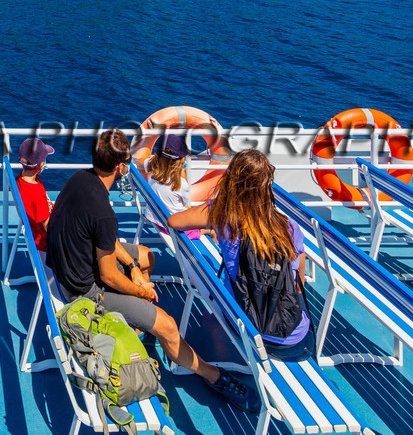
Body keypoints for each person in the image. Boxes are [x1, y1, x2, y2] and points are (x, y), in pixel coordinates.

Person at [44, 129, 257, 412]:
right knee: (168, 326)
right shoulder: (104, 213)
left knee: (147, 257)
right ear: (120, 167)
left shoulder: (80, 179)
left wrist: (133, 266)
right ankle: (215, 376)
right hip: (84, 292)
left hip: (72, 267)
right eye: (128, 161)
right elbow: (108, 276)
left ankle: (139, 320)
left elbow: (102, 240)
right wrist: (140, 290)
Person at [168, 148, 314, 360]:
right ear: (267, 185)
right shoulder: (290, 227)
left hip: (245, 325)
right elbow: (298, 285)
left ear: (231, 180)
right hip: (293, 337)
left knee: (212, 317)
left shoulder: (221, 214)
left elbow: (174, 221)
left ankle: (225, 369)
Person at [135, 132, 193, 216]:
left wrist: (154, 159)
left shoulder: (151, 166)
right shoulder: (181, 183)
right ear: (182, 160)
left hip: (152, 216)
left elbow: (139, 161)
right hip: (175, 222)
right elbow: (185, 203)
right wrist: (182, 173)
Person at [15, 136, 55, 251]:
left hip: (34, 227)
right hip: (44, 244)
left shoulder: (21, 179)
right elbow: (49, 228)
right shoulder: (36, 195)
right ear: (41, 164)